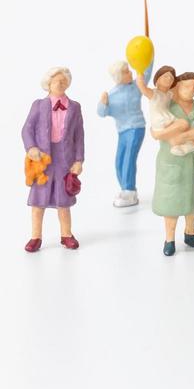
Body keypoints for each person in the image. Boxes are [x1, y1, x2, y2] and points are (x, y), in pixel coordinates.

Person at [22, 67, 84, 253]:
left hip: (65, 159)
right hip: (43, 159)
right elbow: (27, 129)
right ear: (48, 84)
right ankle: (35, 236)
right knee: (38, 201)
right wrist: (31, 147)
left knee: (63, 201)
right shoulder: (39, 105)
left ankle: (66, 235)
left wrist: (79, 160)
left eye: (64, 80)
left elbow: (79, 136)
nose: (61, 83)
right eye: (58, 80)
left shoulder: (75, 107)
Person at [150, 70, 194, 256]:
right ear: (176, 87)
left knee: (193, 200)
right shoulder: (166, 108)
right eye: (186, 86)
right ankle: (169, 239)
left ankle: (190, 231)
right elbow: (156, 133)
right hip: (172, 162)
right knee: (172, 202)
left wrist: (181, 135)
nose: (191, 90)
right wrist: (177, 134)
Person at [97, 61, 145, 208]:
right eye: (125, 71)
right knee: (119, 160)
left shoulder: (137, 86)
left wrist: (146, 50)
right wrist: (103, 102)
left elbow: (146, 70)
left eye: (129, 70)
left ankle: (129, 190)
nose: (130, 73)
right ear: (118, 76)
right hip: (122, 130)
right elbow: (101, 113)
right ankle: (125, 189)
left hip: (136, 127)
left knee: (129, 158)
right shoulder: (112, 94)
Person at [135, 64, 194, 156]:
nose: (169, 79)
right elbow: (142, 87)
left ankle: (176, 147)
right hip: (160, 120)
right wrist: (139, 75)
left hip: (167, 117)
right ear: (157, 79)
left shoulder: (169, 94)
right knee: (183, 124)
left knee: (175, 134)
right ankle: (158, 135)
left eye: (171, 78)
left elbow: (178, 87)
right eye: (165, 76)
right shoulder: (154, 94)